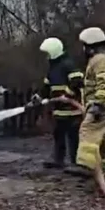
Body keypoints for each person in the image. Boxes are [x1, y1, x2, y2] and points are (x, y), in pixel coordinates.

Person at [65, 26, 105, 187]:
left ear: (91, 46)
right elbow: (95, 84)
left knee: (87, 131)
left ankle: (85, 165)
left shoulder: (99, 60)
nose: (83, 49)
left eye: (84, 45)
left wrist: (98, 104)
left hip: (102, 106)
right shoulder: (103, 59)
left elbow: (104, 83)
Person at [28, 37, 84, 169]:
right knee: (58, 135)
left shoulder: (68, 65)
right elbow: (46, 88)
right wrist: (38, 97)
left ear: (53, 51)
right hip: (59, 111)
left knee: (73, 137)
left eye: (47, 53)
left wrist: (68, 95)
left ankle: (76, 163)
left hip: (72, 110)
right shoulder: (52, 69)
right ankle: (59, 160)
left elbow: (77, 82)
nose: (46, 56)